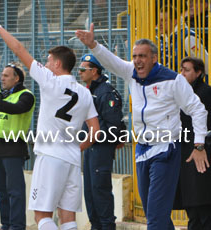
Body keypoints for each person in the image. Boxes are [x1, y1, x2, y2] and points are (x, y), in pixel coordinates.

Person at [76, 24, 209, 230]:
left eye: (143, 56)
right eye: (135, 56)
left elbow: (198, 110)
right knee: (155, 214)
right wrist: (93, 45)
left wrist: (199, 145)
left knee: (155, 218)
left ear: (154, 58)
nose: (137, 60)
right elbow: (112, 62)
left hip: (166, 150)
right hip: (142, 150)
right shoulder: (132, 73)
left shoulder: (173, 80)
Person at [0, 2, 100, 230]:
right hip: (72, 159)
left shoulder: (50, 81)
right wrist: (77, 148)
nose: (45, 64)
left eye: (48, 61)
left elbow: (18, 48)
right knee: (68, 219)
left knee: (42, 217)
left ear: (57, 64)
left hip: (49, 156)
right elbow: (95, 131)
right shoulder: (85, 93)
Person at [0, 62, 35, 230]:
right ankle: (6, 225)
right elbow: (1, 117)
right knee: (2, 192)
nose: (2, 78)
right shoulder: (4, 96)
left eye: (6, 75)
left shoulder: (26, 95)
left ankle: (17, 226)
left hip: (12, 147)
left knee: (15, 191)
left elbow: (17, 109)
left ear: (16, 78)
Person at [79, 54, 125, 230]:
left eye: (83, 69)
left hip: (101, 149)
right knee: (90, 193)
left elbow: (113, 125)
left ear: (94, 71)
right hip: (91, 148)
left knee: (100, 191)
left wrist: (93, 138)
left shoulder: (105, 92)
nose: (80, 73)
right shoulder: (91, 91)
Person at [174, 57, 211, 230]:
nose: (182, 74)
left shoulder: (204, 93)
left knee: (201, 204)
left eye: (187, 70)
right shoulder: (182, 94)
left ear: (198, 73)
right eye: (181, 69)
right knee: (192, 206)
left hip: (201, 155)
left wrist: (200, 147)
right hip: (185, 153)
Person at [158, 5, 208, 73]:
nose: (160, 24)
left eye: (163, 20)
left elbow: (206, 65)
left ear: (175, 21)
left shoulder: (188, 38)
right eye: (159, 21)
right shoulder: (163, 40)